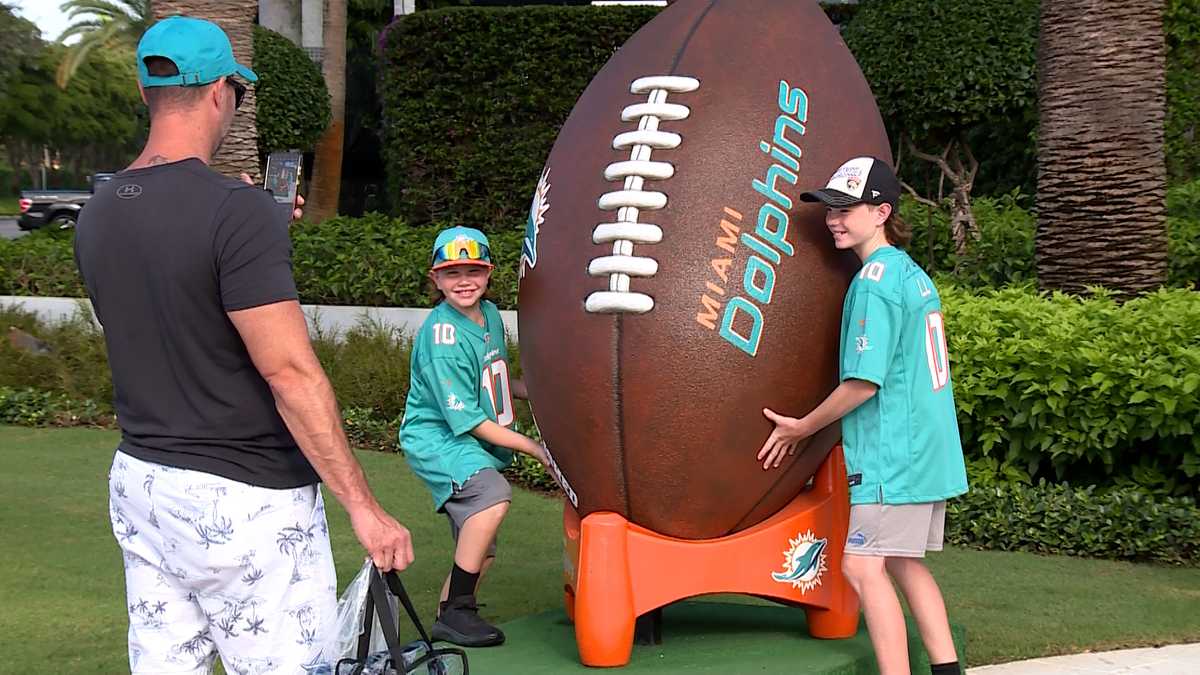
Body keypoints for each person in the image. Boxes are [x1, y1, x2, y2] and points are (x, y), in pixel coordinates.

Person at [73, 16, 413, 674]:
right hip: (245, 497)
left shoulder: (99, 213)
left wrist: (254, 228)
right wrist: (364, 508)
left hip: (143, 482)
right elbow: (290, 374)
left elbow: (165, 317)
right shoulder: (237, 212)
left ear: (149, 94)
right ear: (219, 92)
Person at [755, 157, 968, 675]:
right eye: (832, 208)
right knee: (901, 562)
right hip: (924, 449)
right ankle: (946, 669)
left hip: (894, 453)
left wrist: (802, 427)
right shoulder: (908, 273)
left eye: (848, 209)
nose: (834, 219)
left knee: (860, 565)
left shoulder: (874, 280)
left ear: (882, 212)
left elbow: (863, 383)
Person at [399, 226, 553, 648]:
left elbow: (494, 381)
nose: (463, 280)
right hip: (439, 437)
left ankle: (446, 618)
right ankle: (457, 613)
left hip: (465, 435)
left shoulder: (490, 315)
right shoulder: (443, 336)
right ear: (435, 278)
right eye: (452, 273)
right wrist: (535, 449)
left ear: (488, 273)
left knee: (480, 547)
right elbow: (467, 419)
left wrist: (541, 390)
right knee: (491, 497)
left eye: (473, 270)